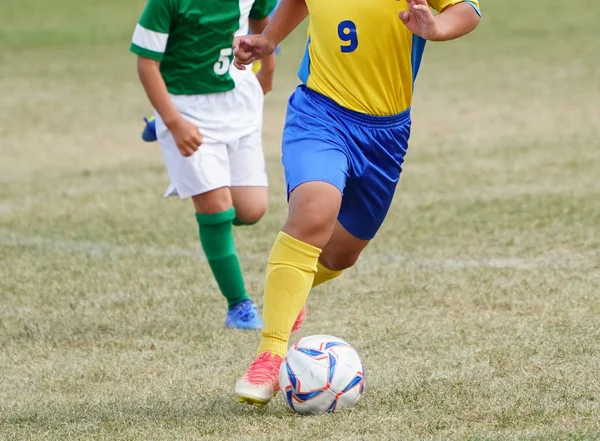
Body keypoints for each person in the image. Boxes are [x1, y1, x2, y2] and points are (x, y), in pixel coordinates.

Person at [232, 0, 481, 406]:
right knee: (314, 211)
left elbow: (467, 10)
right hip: (320, 112)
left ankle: (290, 294)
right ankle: (270, 355)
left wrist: (434, 28)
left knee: (341, 254)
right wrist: (269, 38)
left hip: (386, 132)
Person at [130, 0, 278, 330]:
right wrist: (174, 122)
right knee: (215, 205)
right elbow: (146, 64)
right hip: (185, 110)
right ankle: (239, 306)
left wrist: (267, 69)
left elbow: (261, 20)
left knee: (251, 210)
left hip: (237, 101)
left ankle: (215, 217)